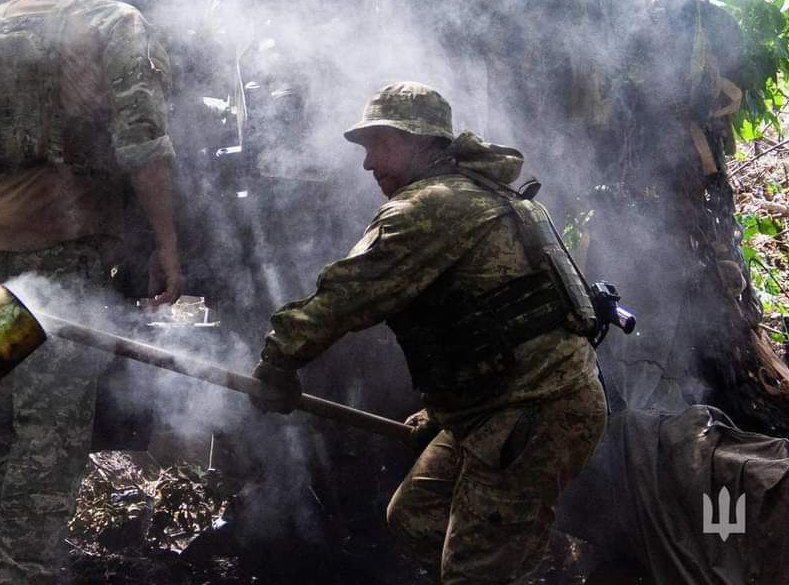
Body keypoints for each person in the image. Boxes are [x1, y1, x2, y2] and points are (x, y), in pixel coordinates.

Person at [250, 81, 606, 584]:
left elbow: (346, 296)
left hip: (537, 407)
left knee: (476, 572)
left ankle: (512, 559)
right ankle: (513, 556)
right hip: (495, 403)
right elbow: (488, 325)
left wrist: (277, 362)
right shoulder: (473, 193)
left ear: (423, 142)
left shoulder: (429, 206)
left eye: (380, 144)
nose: (368, 164)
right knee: (416, 520)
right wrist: (443, 413)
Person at [0, 0, 181, 585]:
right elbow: (144, 146)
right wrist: (166, 244)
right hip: (61, 240)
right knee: (51, 420)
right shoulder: (111, 22)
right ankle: (22, 572)